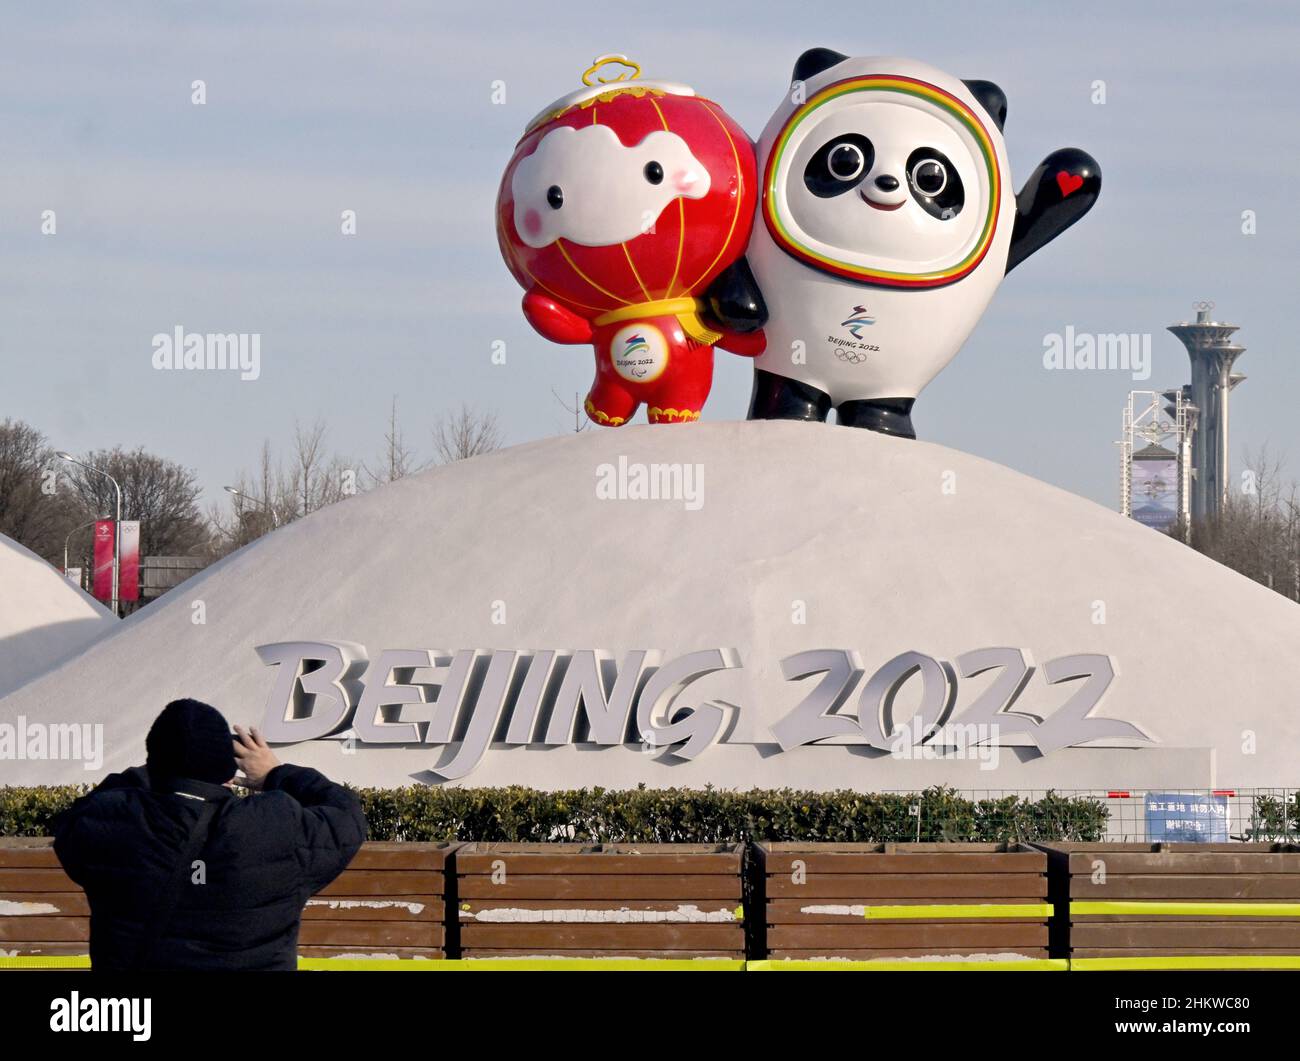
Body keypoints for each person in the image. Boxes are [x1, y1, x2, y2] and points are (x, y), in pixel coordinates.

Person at [52, 698, 367, 971]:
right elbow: (347, 815)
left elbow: (78, 815)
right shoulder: (275, 827)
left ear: (153, 761)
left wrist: (158, 772)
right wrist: (275, 773)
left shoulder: (110, 823)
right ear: (228, 771)